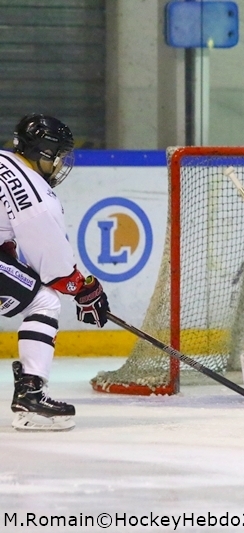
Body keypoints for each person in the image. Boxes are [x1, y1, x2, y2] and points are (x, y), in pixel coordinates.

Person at [1, 114, 110, 431]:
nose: (61, 164)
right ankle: (31, 397)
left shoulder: (4, 160)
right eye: (59, 156)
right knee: (44, 301)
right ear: (42, 153)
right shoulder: (34, 193)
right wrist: (84, 289)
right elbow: (55, 267)